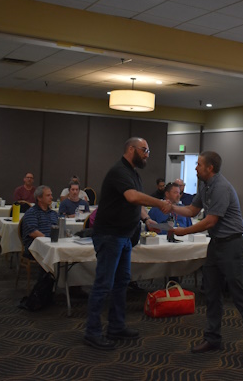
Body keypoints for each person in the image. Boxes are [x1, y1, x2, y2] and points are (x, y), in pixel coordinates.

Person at [169, 151, 243, 362]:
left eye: (199, 164)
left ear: (209, 168)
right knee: (211, 292)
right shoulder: (204, 184)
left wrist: (182, 232)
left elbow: (210, 221)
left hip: (232, 244)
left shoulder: (221, 186)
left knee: (240, 295)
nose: (195, 168)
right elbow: (193, 210)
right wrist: (171, 208)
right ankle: (213, 338)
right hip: (216, 244)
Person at [84, 137, 171, 351]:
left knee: (122, 283)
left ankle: (116, 326)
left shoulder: (133, 173)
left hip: (124, 236)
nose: (147, 154)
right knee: (103, 284)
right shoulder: (119, 171)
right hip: (110, 235)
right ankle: (92, 332)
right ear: (131, 149)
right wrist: (160, 202)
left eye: (148, 151)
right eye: (144, 150)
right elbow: (132, 197)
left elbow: (136, 203)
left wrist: (146, 219)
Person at [20, 185, 59, 258]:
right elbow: (33, 232)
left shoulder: (53, 213)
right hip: (36, 246)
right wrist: (48, 241)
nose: (51, 197)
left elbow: (59, 228)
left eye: (51, 195)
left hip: (52, 244)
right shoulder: (32, 212)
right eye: (48, 195)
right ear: (39, 198)